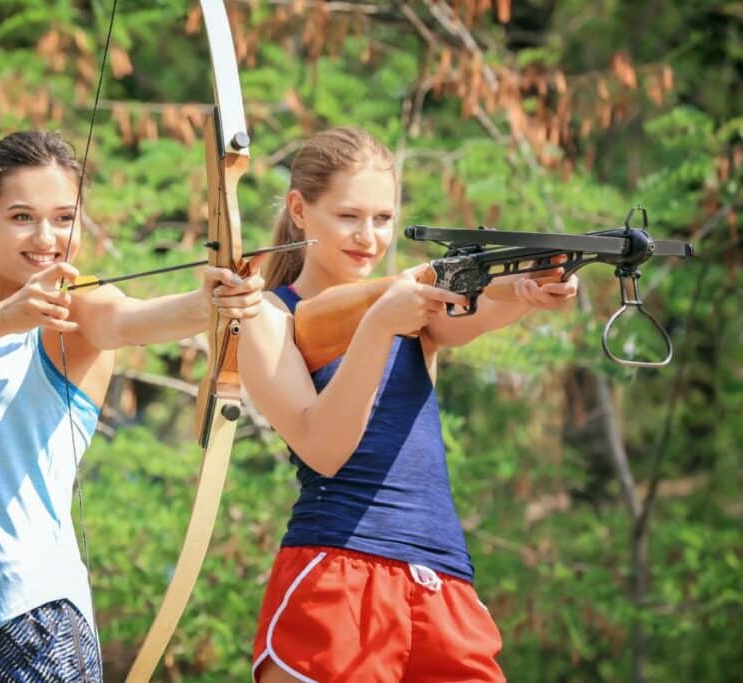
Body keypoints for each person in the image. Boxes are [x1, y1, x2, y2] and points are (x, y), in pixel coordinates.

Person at [0, 130, 265, 682]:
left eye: (64, 218)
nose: (47, 238)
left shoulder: (79, 305)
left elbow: (132, 320)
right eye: (23, 216)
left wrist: (209, 300)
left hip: (31, 616)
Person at [239, 127, 578, 683]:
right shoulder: (270, 316)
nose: (368, 238)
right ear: (299, 210)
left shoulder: (408, 307)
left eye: (383, 218)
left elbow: (484, 304)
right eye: (349, 216)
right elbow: (323, 448)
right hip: (337, 572)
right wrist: (378, 327)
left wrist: (528, 289)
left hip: (443, 580)